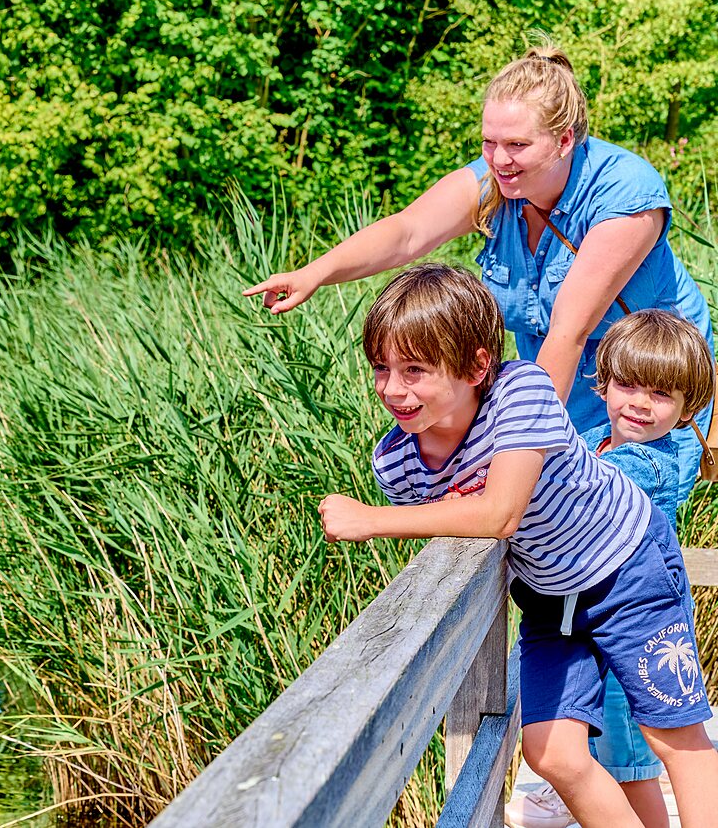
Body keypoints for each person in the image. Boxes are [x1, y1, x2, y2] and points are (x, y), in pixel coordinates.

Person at [317, 264, 718, 827]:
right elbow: (453, 527)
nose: (392, 389)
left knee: (674, 734)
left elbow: (500, 513)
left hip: (627, 566)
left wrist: (372, 520)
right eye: (381, 369)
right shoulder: (398, 461)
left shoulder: (519, 392)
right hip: (552, 595)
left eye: (415, 370)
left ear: (478, 365)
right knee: (551, 750)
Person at [242, 43, 714, 496]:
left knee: (605, 522)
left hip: (648, 388)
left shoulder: (625, 194)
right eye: (489, 143)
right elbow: (407, 232)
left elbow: (568, 332)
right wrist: (314, 273)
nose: (500, 159)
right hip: (553, 380)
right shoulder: (498, 183)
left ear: (565, 140)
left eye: (517, 144)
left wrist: (512, 460)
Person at [506, 310, 716, 828]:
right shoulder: (595, 437)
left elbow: (568, 490)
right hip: (573, 615)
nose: (640, 405)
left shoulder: (651, 462)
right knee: (596, 756)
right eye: (628, 384)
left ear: (689, 407)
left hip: (630, 613)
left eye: (662, 395)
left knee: (643, 753)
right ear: (602, 383)